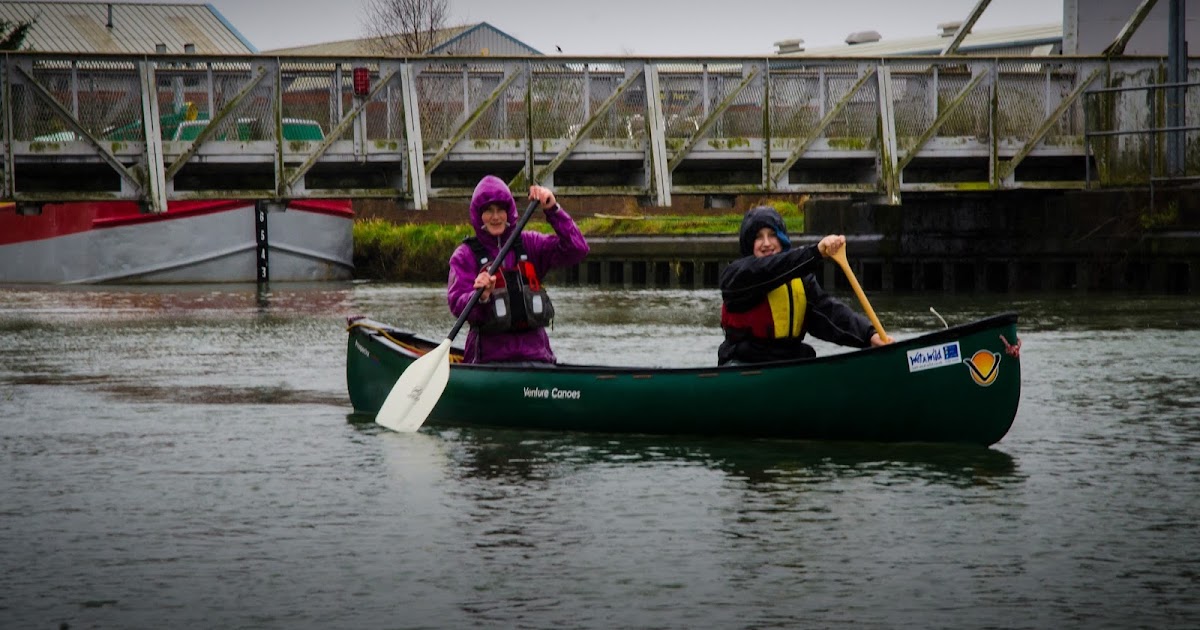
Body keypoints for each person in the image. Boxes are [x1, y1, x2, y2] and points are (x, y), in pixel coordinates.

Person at [718, 205, 889, 365]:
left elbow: (830, 315)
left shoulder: (801, 281)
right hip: (745, 364)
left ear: (782, 239)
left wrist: (869, 336)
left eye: (772, 235)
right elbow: (767, 270)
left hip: (790, 362)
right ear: (749, 244)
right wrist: (815, 253)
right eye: (758, 237)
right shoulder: (736, 277)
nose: (767, 244)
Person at [447, 175, 589, 364]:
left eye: (500, 210)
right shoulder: (465, 255)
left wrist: (552, 209)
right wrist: (480, 296)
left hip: (537, 358)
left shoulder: (530, 244)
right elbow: (457, 303)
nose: (496, 217)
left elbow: (577, 249)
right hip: (488, 362)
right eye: (488, 211)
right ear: (478, 215)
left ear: (509, 211)